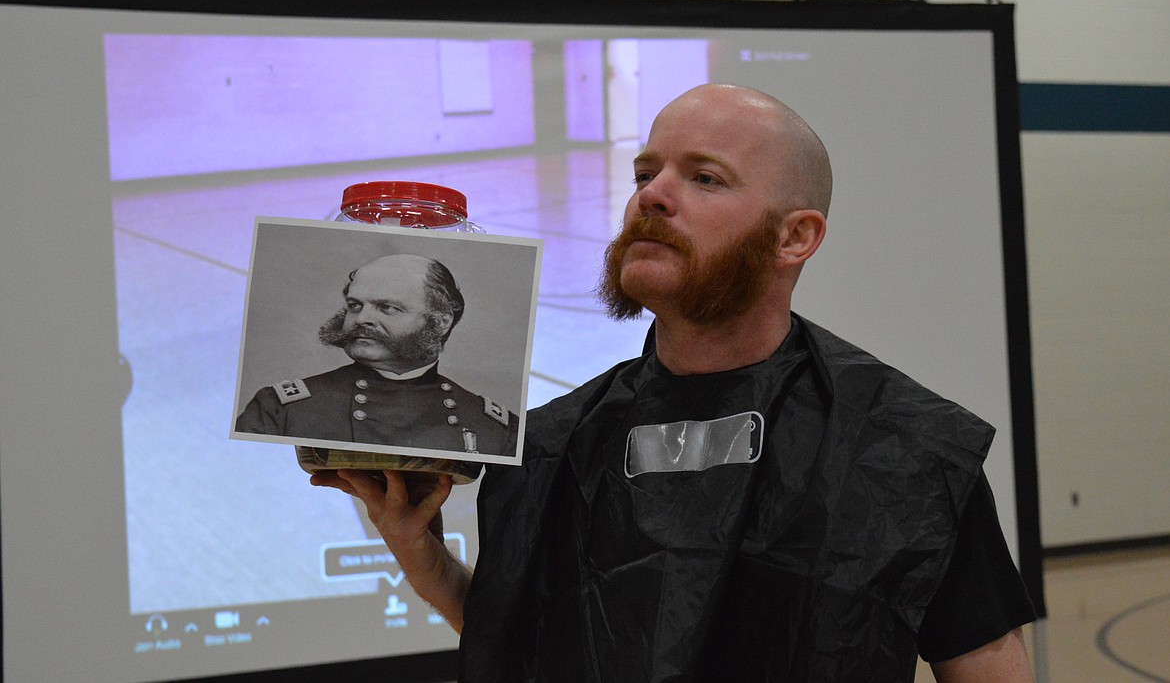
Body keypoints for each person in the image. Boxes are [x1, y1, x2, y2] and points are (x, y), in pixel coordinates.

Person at [312, 84, 1037, 681]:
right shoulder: (553, 442)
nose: (652, 196)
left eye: (704, 177)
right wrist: (423, 557)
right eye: (644, 174)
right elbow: (534, 647)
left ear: (795, 237)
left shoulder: (904, 445)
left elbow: (987, 662)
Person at [236, 253, 518, 458]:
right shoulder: (281, 409)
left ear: (440, 321)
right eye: (355, 305)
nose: (362, 319)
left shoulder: (495, 427)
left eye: (387, 308)